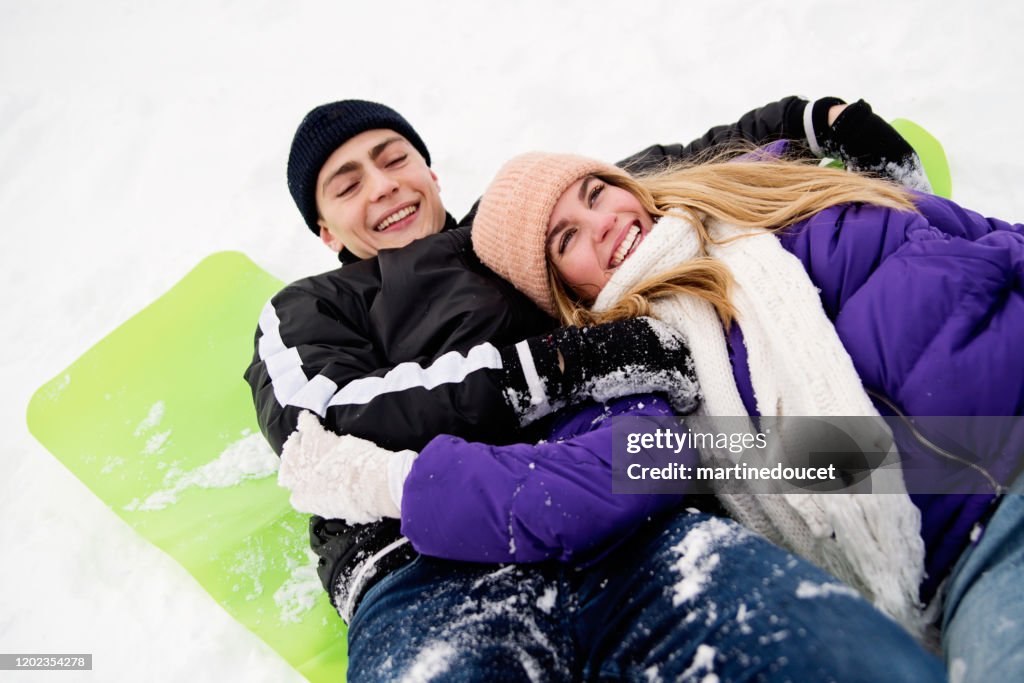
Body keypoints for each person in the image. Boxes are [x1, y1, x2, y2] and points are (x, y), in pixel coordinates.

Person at [247, 97, 939, 680]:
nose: (383, 185)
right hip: (426, 564)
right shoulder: (314, 304)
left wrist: (812, 119)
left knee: (831, 649)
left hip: (620, 508)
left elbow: (645, 180)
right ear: (324, 228)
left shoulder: (512, 230)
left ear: (428, 169)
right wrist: (560, 366)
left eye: (394, 158)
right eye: (347, 183)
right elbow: (329, 419)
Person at [430, 147, 1018, 680]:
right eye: (567, 239)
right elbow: (609, 477)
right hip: (981, 540)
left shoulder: (766, 194)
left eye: (596, 192)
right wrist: (399, 486)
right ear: (562, 292)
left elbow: (992, 238)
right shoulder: (641, 368)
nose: (604, 221)